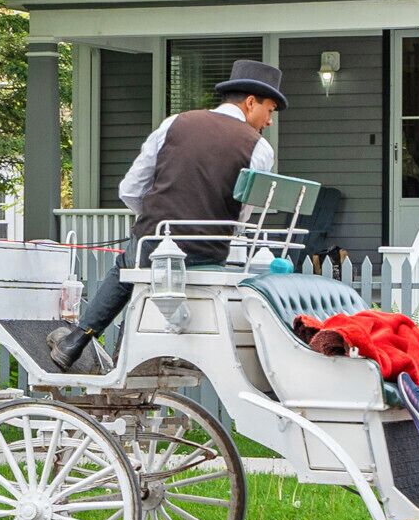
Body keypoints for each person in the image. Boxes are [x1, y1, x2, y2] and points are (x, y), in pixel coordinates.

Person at [45, 59, 284, 372]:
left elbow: (130, 189)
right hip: (209, 253)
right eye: (269, 111)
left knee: (127, 265)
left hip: (154, 247)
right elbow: (242, 218)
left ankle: (75, 340)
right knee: (140, 263)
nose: (269, 121)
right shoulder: (260, 149)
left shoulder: (175, 124)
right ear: (250, 102)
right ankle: (125, 355)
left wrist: (158, 222)